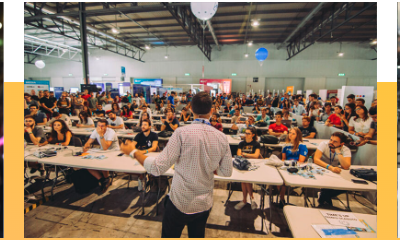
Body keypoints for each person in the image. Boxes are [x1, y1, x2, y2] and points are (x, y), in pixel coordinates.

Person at [120, 92, 232, 238]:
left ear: (191, 109)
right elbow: (226, 172)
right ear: (212, 111)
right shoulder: (221, 137)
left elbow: (156, 168)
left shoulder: (181, 133)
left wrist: (133, 152)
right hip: (203, 204)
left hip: (180, 202)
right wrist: (207, 166)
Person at [313, 132, 351, 206]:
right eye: (331, 140)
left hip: (335, 170)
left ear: (342, 144)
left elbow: (346, 166)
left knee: (347, 187)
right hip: (322, 168)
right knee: (327, 183)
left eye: (335, 141)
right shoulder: (324, 144)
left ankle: (323, 196)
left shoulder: (346, 150)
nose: (331, 142)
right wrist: (330, 167)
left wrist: (338, 151)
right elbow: (316, 159)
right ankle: (324, 199)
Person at [83, 119, 120, 192]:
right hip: (102, 151)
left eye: (102, 126)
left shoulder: (111, 132)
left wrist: (101, 135)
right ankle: (103, 179)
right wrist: (86, 147)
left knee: (103, 164)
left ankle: (106, 178)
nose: (100, 128)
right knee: (87, 164)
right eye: (98, 126)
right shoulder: (96, 130)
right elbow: (89, 142)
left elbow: (105, 147)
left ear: (107, 126)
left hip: (113, 152)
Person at [279, 127, 308, 207]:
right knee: (279, 179)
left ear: (297, 135)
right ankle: (281, 199)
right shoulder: (285, 146)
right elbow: (283, 159)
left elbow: (301, 160)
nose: (290, 135)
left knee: (284, 180)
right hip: (286, 166)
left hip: (297, 167)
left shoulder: (302, 146)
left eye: (293, 133)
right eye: (290, 133)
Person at [234, 127, 260, 210]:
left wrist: (244, 154)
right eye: (245, 133)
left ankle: (246, 200)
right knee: (244, 180)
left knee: (246, 180)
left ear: (253, 135)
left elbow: (256, 156)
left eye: (248, 133)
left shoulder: (256, 144)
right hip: (242, 164)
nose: (246, 135)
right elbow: (238, 154)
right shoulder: (241, 143)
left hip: (252, 165)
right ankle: (251, 199)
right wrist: (248, 155)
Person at [131, 119, 159, 191]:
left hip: (152, 156)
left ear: (149, 126)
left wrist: (144, 151)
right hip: (141, 156)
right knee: (137, 166)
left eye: (145, 125)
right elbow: (132, 145)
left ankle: (149, 180)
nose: (143, 126)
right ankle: (142, 179)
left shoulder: (154, 135)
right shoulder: (138, 135)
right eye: (142, 125)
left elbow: (154, 148)